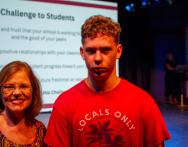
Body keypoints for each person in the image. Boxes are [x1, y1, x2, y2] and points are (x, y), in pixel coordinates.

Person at [44, 15, 170, 146]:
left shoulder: (144, 103)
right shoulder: (64, 104)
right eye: (91, 51)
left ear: (118, 51)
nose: (98, 58)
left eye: (105, 50)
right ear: (82, 53)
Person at [0, 61, 47, 146]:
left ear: (33, 91)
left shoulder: (40, 129)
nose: (17, 92)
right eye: (9, 87)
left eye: (23, 86)